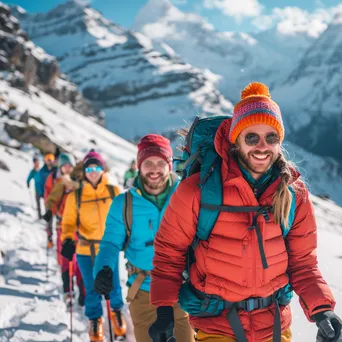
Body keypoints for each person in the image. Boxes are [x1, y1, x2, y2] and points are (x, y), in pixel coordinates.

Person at [148, 82, 342, 342]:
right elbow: (168, 256)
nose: (262, 146)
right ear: (236, 141)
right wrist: (163, 312)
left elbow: (303, 263)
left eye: (271, 137)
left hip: (274, 327)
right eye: (251, 137)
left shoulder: (294, 194)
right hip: (217, 327)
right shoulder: (197, 191)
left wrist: (322, 309)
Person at [93, 134, 194, 342]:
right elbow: (111, 244)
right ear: (139, 165)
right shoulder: (124, 204)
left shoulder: (185, 195)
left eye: (160, 163)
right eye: (148, 163)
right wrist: (103, 268)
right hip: (143, 292)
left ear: (169, 165)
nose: (154, 169)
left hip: (181, 290)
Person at [61, 151, 122, 342]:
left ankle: (116, 312)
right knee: (91, 286)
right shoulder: (75, 196)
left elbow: (122, 219)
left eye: (96, 168)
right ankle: (95, 319)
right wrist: (68, 240)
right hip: (85, 249)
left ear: (102, 169)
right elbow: (68, 223)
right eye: (89, 168)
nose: (93, 172)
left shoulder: (114, 192)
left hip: (108, 248)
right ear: (84, 171)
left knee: (113, 283)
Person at [42, 153, 85, 307]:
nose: (67, 168)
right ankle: (68, 290)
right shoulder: (60, 182)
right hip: (63, 225)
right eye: (64, 165)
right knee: (66, 258)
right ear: (61, 167)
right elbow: (52, 199)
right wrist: (49, 212)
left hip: (80, 228)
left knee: (80, 260)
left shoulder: (80, 183)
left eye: (69, 166)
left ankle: (83, 290)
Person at [36, 152, 56, 247]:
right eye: (48, 159)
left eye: (51, 159)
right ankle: (50, 238)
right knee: (50, 218)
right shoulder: (42, 171)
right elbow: (39, 183)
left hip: (57, 198)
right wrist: (42, 194)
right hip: (47, 198)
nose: (49, 161)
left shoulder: (56, 170)